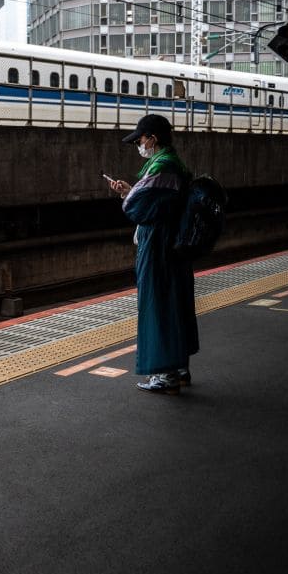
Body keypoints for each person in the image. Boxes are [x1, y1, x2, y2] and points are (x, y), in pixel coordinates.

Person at [109, 114, 199, 395]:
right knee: (174, 302)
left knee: (157, 304)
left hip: (159, 244)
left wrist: (128, 195)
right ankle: (179, 369)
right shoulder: (175, 164)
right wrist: (131, 190)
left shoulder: (162, 165)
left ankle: (166, 375)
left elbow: (135, 206)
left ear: (153, 139)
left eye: (140, 139)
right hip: (173, 244)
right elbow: (149, 196)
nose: (139, 144)